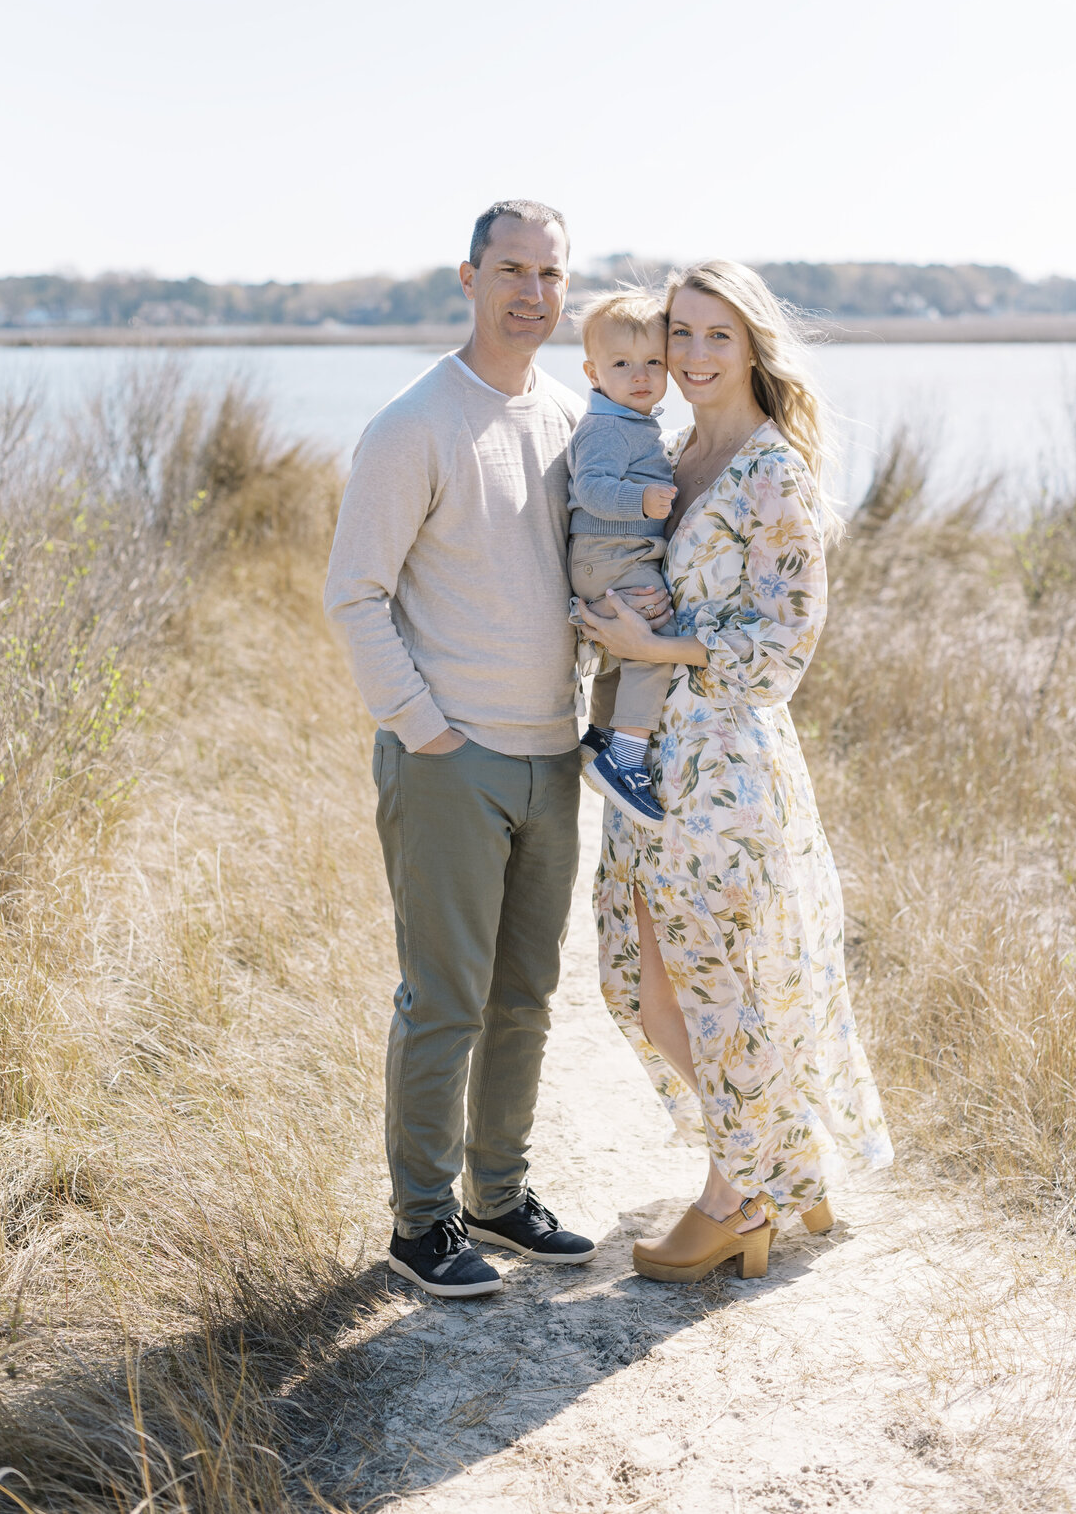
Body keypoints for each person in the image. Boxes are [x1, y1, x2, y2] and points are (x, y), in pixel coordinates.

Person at [324, 199, 670, 1299]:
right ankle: (420, 1224)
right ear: (468, 277)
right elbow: (355, 594)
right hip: (450, 759)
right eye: (511, 268)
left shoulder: (575, 417)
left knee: (526, 993)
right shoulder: (414, 423)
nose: (531, 290)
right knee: (445, 997)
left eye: (550, 274)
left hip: (551, 753)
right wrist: (423, 728)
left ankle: (497, 1195)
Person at [577, 259, 893, 1285]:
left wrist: (659, 649)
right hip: (650, 756)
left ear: (754, 345)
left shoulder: (772, 469)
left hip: (723, 763)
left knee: (713, 982)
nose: (695, 355)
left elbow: (786, 644)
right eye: (681, 335)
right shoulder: (673, 450)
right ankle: (779, 1153)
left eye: (718, 335)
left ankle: (736, 1195)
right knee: (639, 977)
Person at [567, 291, 679, 829]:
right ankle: (627, 757)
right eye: (621, 364)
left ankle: (601, 735)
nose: (641, 376)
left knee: (623, 652)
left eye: (653, 363)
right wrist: (638, 501)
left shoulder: (630, 423)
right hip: (609, 555)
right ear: (592, 372)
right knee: (654, 640)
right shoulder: (608, 428)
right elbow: (590, 487)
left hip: (609, 556)